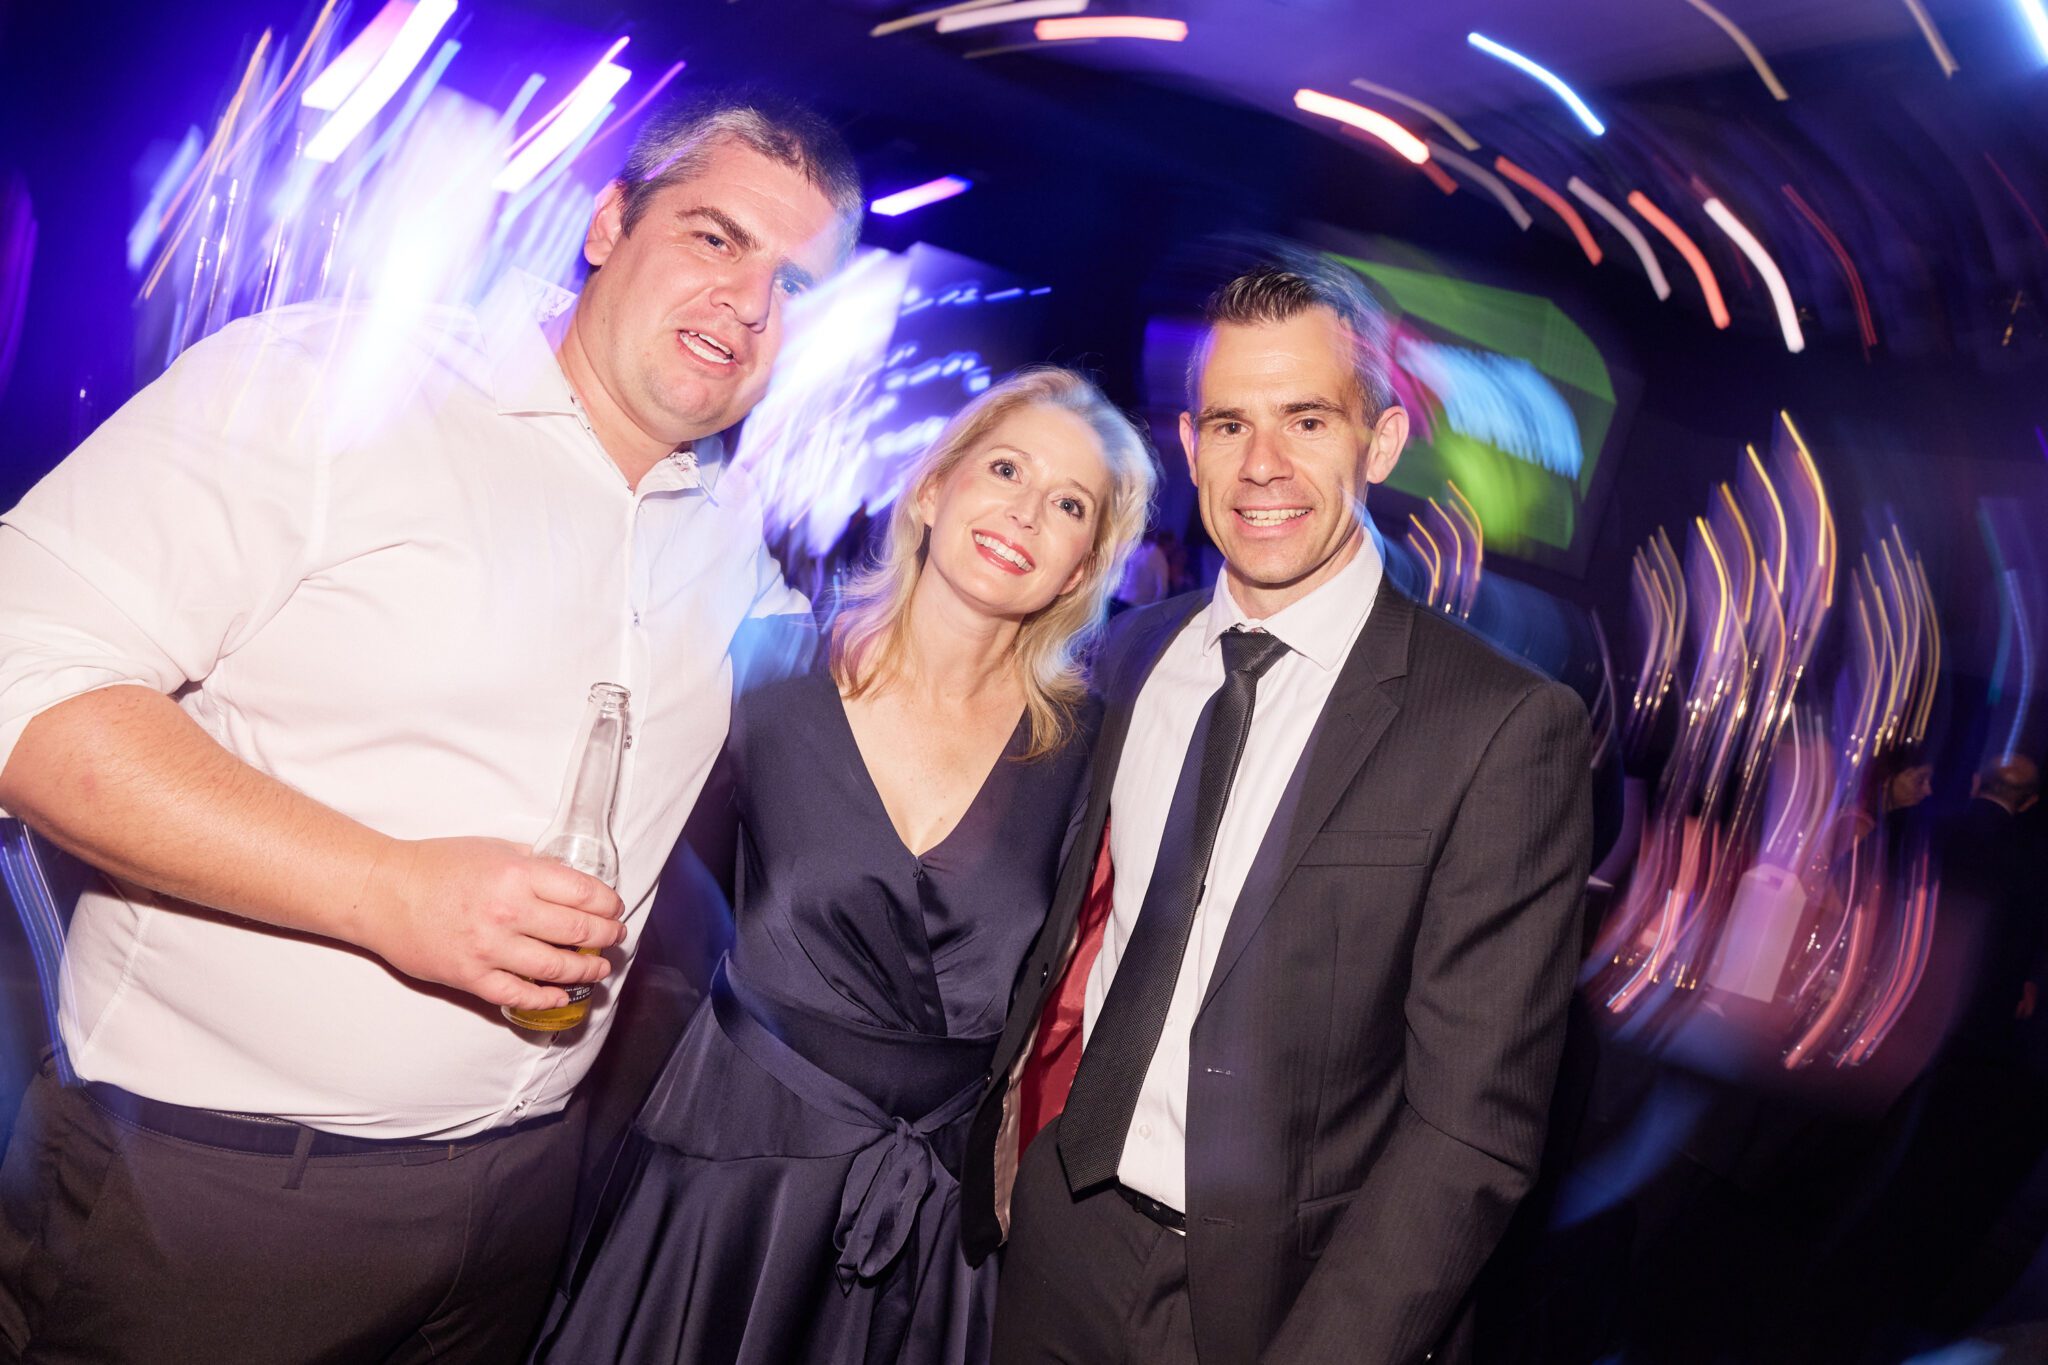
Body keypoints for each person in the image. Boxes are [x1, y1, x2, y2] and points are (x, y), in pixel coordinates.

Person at [0, 92, 860, 1362]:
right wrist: (383, 889)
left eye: (791, 285)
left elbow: (863, 714)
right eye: (714, 237)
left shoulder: (727, 540)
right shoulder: (334, 385)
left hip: (522, 1195)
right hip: (215, 1192)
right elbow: (23, 676)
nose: (746, 302)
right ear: (607, 224)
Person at [964, 261, 1595, 1365]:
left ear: (1380, 441)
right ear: (1189, 442)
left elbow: (1468, 1133)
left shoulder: (1497, 727)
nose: (1262, 465)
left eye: (1306, 420)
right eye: (1229, 425)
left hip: (1281, 1304)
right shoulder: (1126, 656)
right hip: (1058, 1238)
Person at [532, 367, 1155, 1365]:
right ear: (932, 487)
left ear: (1083, 567)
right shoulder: (769, 674)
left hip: (933, 1215)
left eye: (1069, 503)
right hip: (730, 1176)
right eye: (1005, 469)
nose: (1026, 512)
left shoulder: (1095, 753)